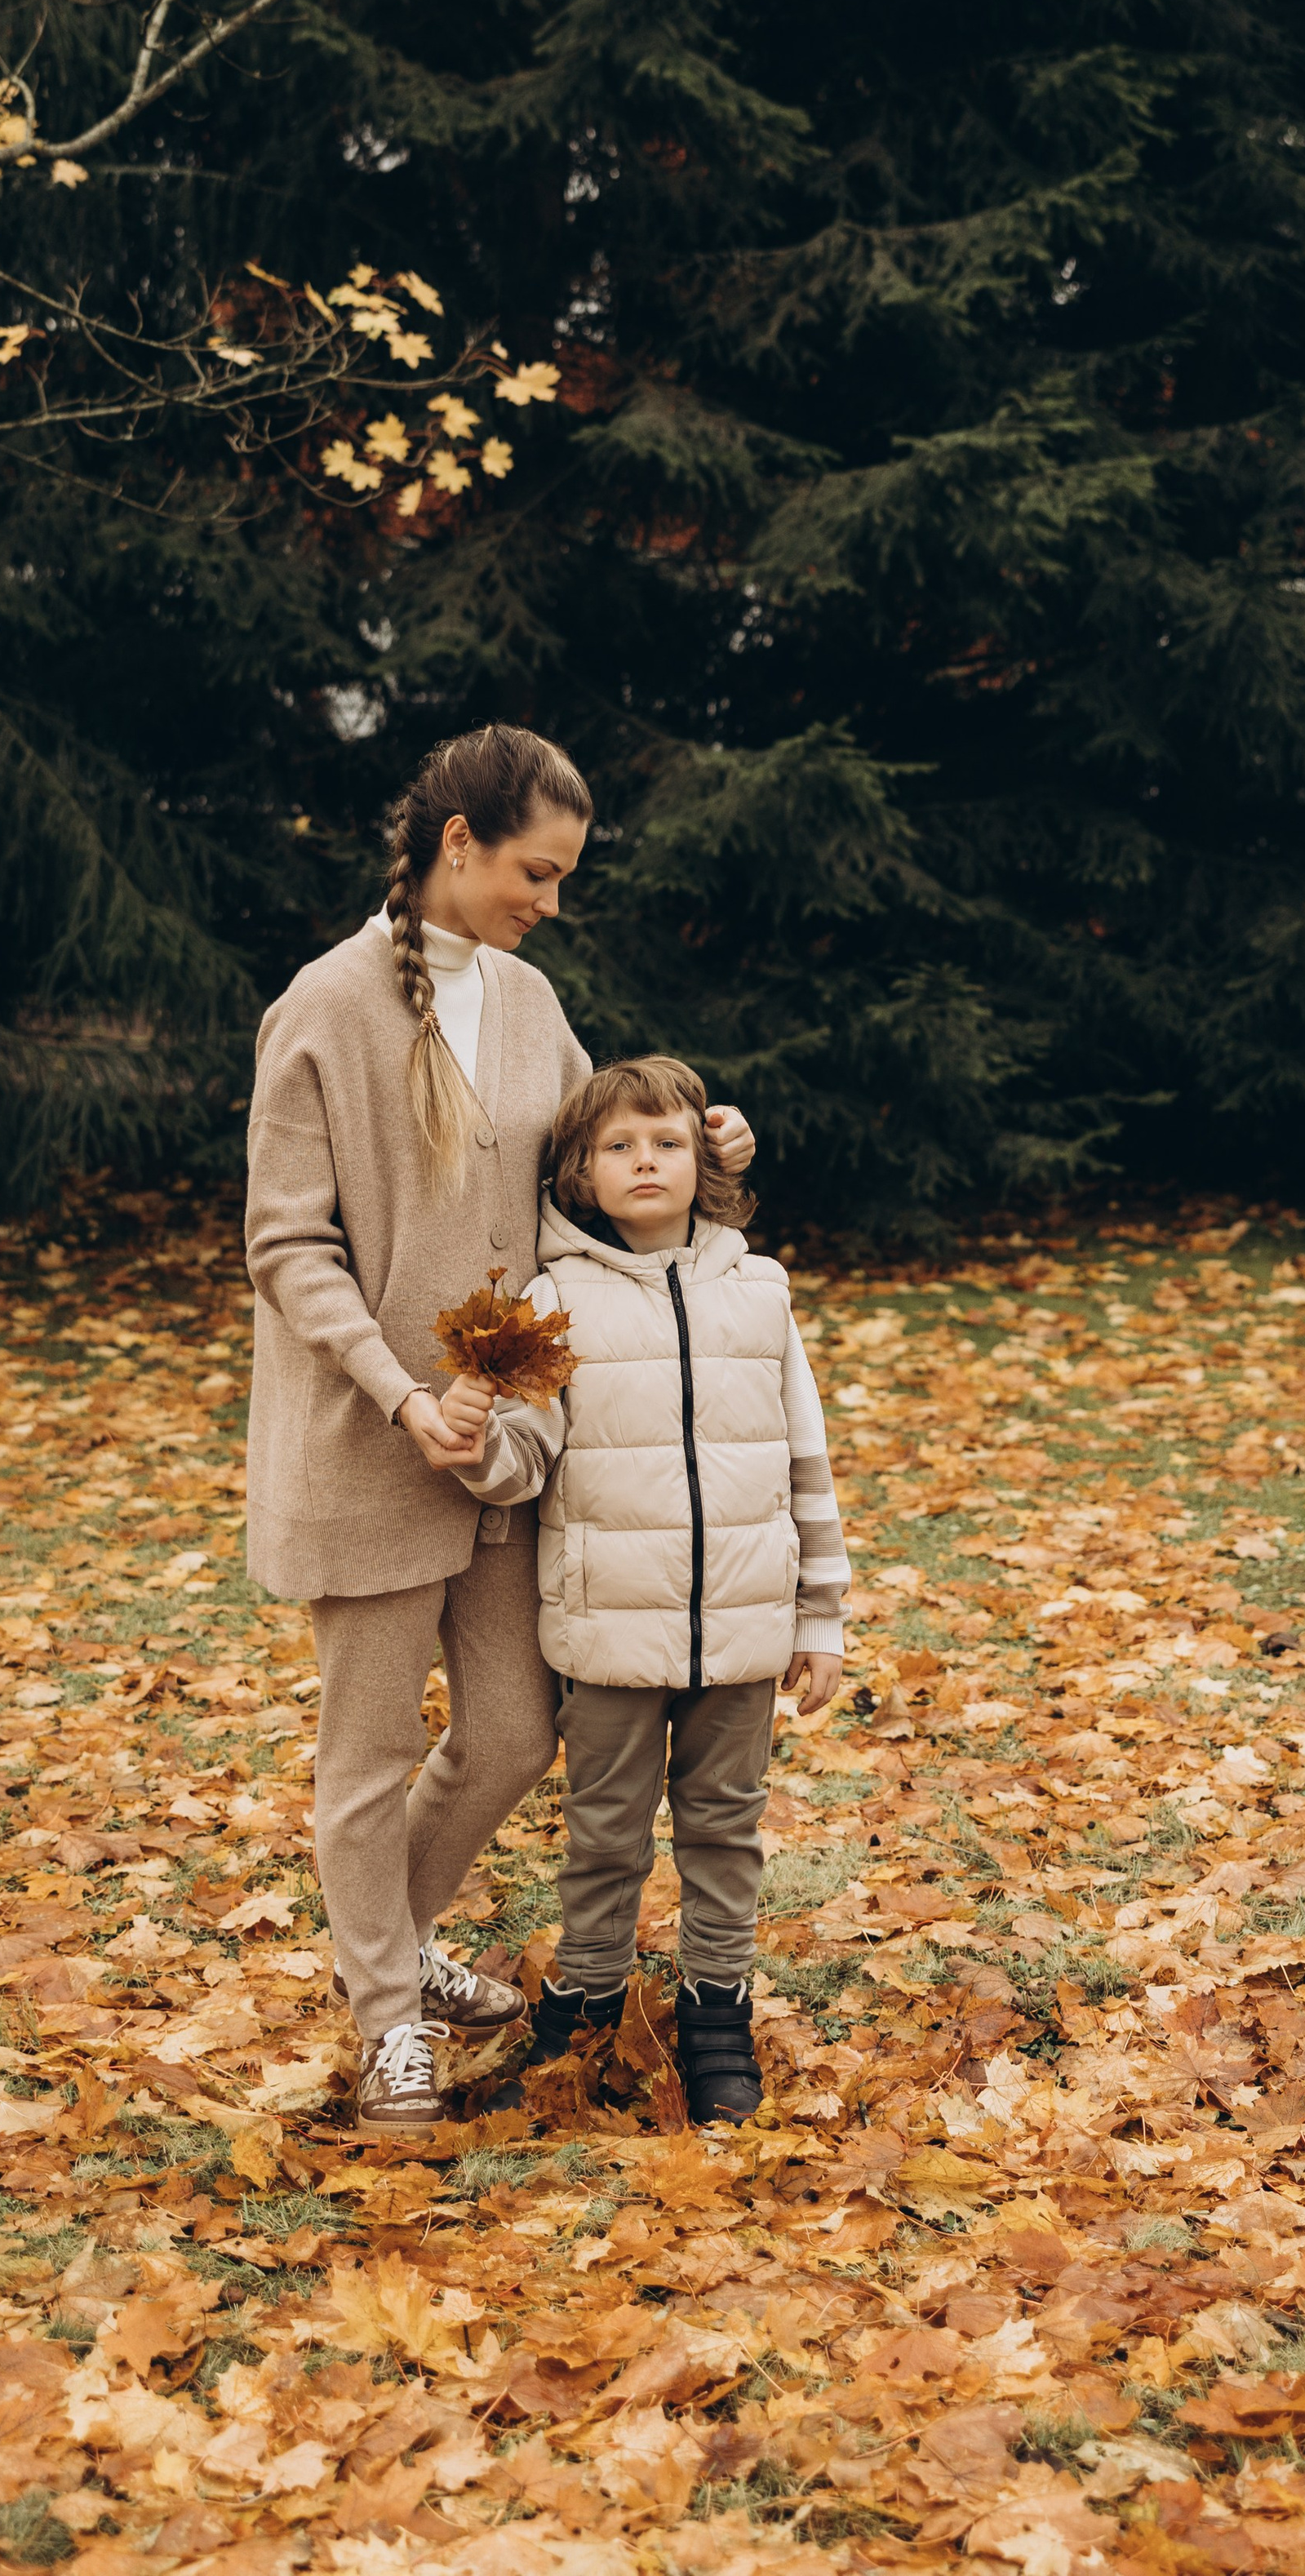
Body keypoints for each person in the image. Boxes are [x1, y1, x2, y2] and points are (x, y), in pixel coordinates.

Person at [242, 728, 755, 2132]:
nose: (549, 899)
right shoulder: (325, 1008)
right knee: (365, 1759)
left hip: (510, 1447)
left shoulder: (530, 1004)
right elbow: (287, 1248)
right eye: (536, 871)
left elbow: (597, 1159)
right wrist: (401, 1394)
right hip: (371, 1445)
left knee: (517, 1732)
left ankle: (390, 1951)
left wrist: (707, 1153)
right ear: (457, 845)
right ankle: (385, 2022)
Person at [445, 1055, 848, 2125]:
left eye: (666, 1141)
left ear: (704, 1158)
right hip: (610, 1632)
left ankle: (717, 2008)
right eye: (618, 1146)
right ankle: (585, 1996)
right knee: (606, 1830)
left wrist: (824, 1616)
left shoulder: (758, 1288)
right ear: (578, 1172)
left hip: (746, 1629)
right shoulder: (552, 1298)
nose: (644, 1161)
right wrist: (479, 1445)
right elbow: (527, 1455)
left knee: (725, 1826)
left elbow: (803, 1453)